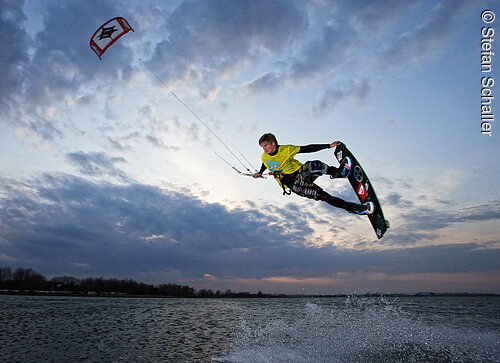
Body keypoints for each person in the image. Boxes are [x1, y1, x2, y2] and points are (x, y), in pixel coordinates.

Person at [253, 133, 374, 215]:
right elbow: (265, 163)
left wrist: (328, 146)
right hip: (293, 185)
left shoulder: (287, 149)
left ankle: (339, 172)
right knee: (324, 196)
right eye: (262, 147)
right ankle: (356, 209)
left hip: (300, 173)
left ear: (273, 143)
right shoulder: (264, 156)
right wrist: (260, 172)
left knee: (315, 165)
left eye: (266, 145)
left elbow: (307, 148)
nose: (264, 149)